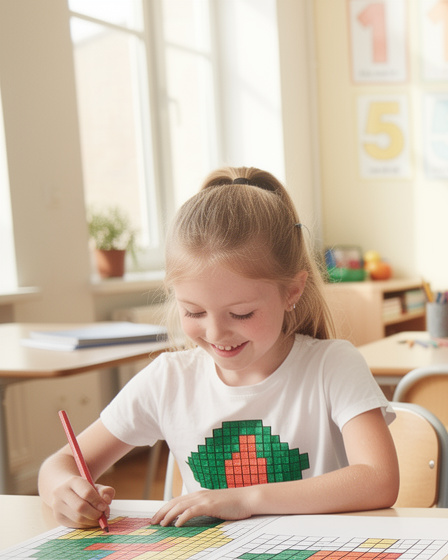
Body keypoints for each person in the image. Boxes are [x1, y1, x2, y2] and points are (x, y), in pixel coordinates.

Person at [38, 167, 399, 528]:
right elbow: (60, 464)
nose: (216, 332)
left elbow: (378, 479)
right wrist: (63, 490)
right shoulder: (169, 379)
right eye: (193, 311)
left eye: (241, 313)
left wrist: (245, 499)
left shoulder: (332, 365)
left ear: (292, 291)